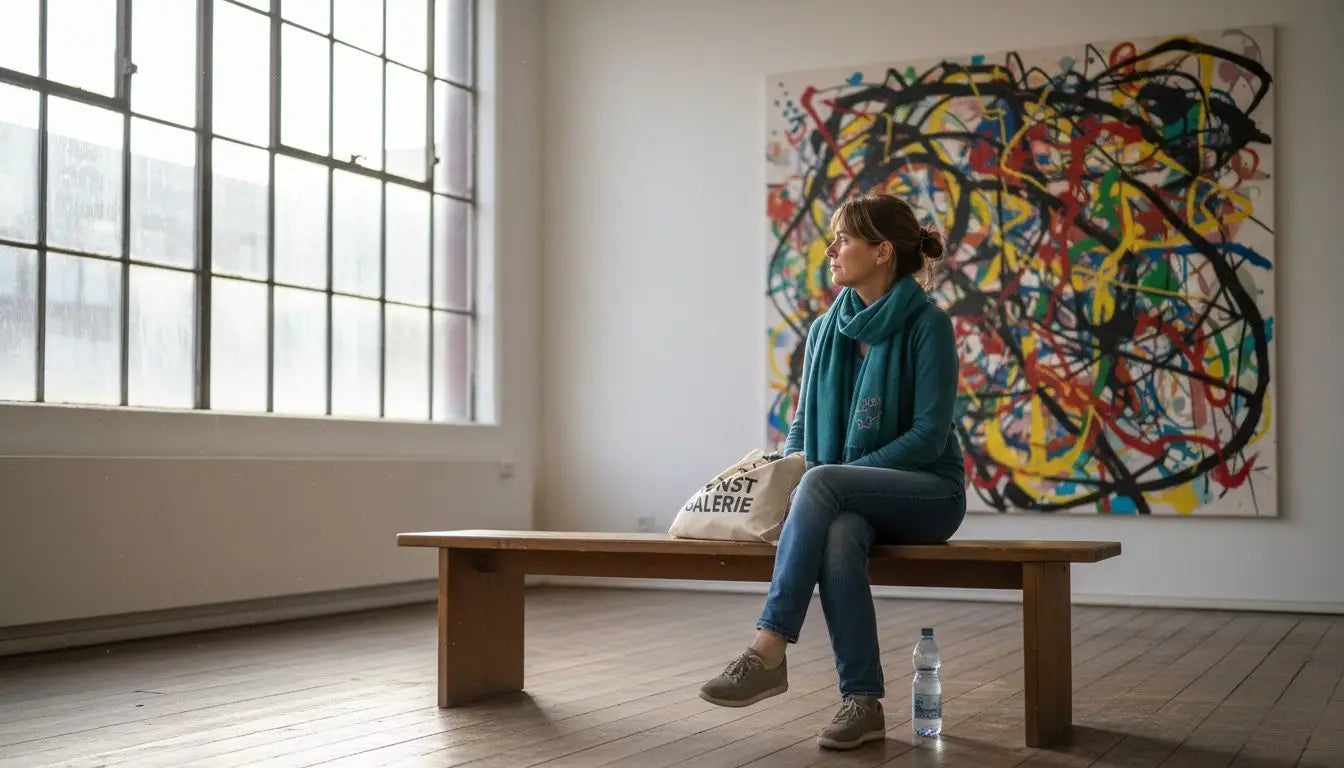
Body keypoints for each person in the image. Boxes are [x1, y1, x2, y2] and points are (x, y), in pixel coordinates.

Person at [698, 193, 966, 750]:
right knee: (840, 533)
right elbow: (801, 428)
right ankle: (863, 702)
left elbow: (928, 438)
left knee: (825, 483)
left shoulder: (928, 326)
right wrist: (792, 473)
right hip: (849, 499)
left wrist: (834, 477)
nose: (832, 249)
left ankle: (768, 647)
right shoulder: (825, 331)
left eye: (844, 238)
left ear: (883, 251)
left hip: (929, 495)